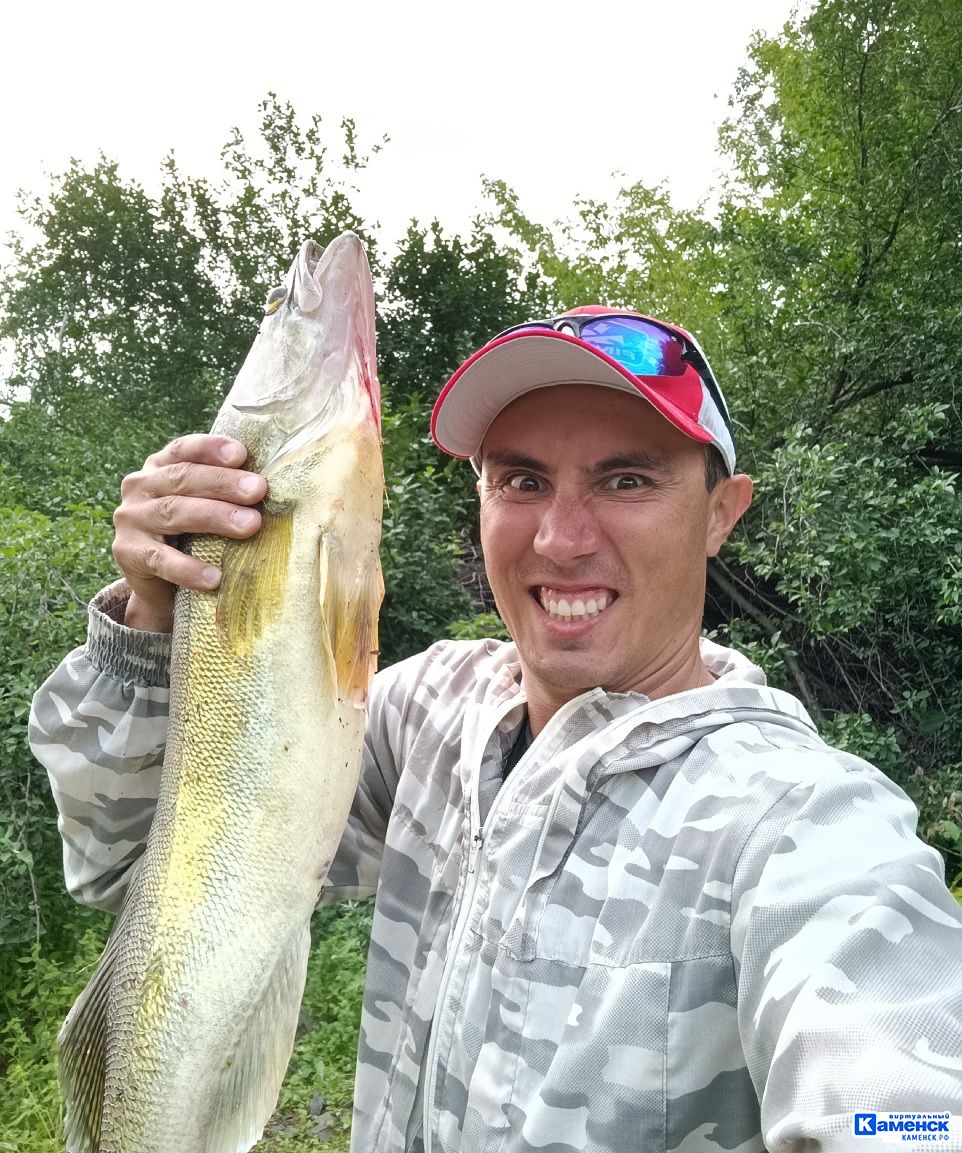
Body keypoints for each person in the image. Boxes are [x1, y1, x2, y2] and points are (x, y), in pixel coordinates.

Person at [30, 307, 962, 1153]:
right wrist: (154, 620)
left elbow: (911, 1111)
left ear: (722, 514)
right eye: (522, 480)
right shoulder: (425, 713)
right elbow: (123, 866)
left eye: (626, 479)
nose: (561, 537)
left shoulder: (802, 821)